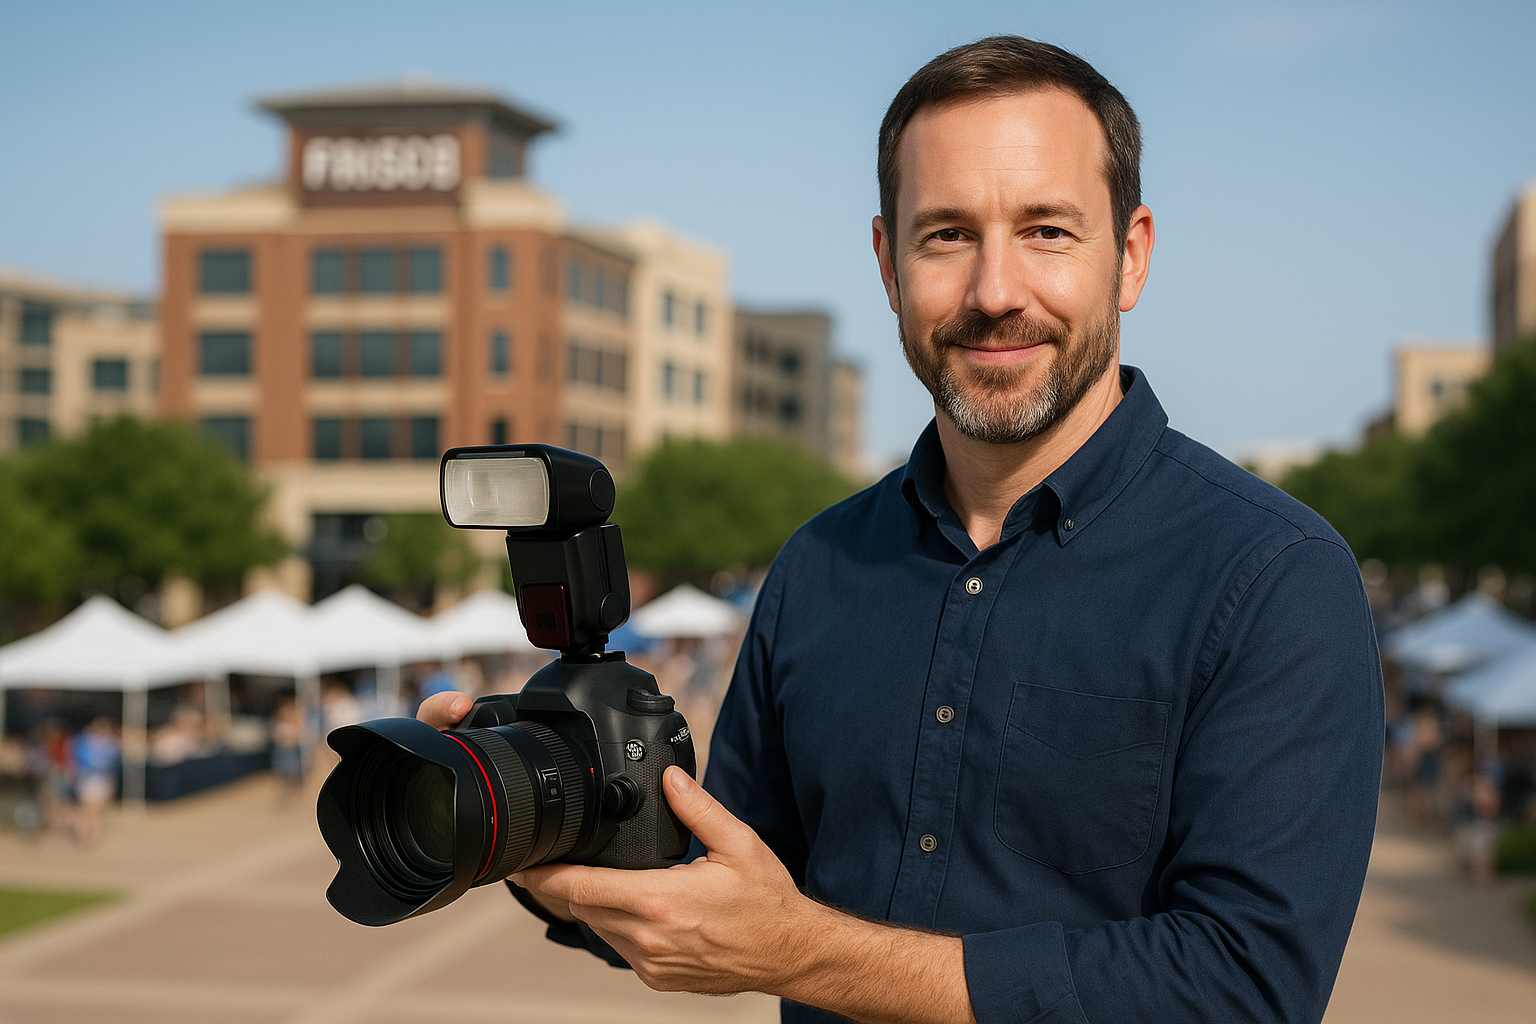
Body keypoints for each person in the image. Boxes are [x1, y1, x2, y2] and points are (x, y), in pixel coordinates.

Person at [420, 36, 1384, 1024]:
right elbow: (728, 891)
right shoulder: (818, 565)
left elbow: (1243, 989)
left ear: (1129, 257)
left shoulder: (1275, 578)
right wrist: (530, 812)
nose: (994, 290)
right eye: (946, 235)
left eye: (1047, 230)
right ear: (887, 264)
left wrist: (810, 953)